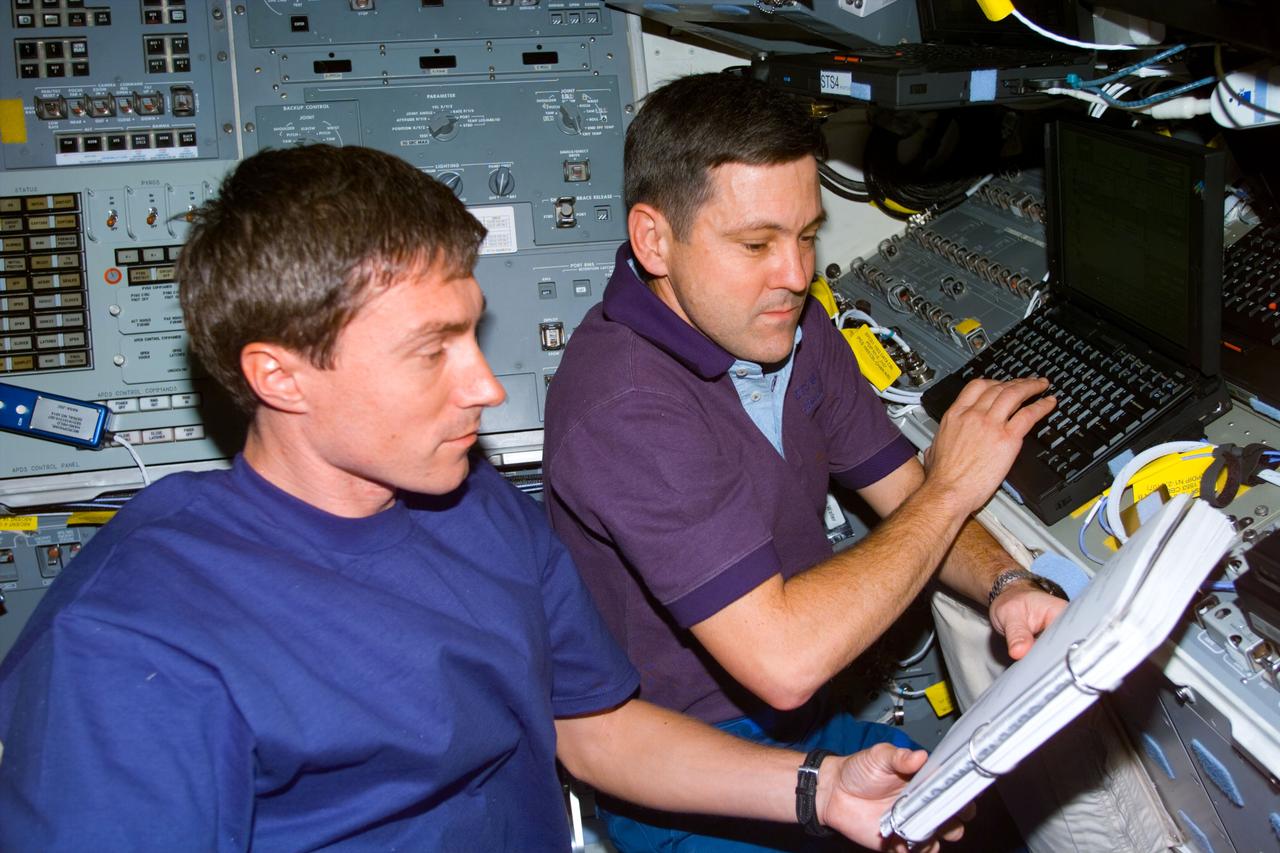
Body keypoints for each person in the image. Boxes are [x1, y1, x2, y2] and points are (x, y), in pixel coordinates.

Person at [0, 144, 965, 852]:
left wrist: (820, 786)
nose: (487, 386)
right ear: (280, 376)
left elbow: (591, 726)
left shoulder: (475, 507)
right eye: (433, 351)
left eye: (473, 333)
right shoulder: (131, 642)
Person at [542, 72, 1066, 851]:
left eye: (807, 234)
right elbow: (783, 659)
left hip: (810, 724)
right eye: (756, 244)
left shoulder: (788, 323)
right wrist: (953, 486)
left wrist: (1006, 583)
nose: (795, 273)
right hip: (687, 767)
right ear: (655, 239)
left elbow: (903, 492)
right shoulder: (623, 402)